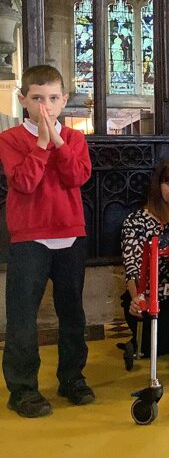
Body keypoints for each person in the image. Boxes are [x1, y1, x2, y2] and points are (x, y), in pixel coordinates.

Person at [0, 65, 93, 418]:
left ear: (64, 100)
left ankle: (72, 378)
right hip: (30, 237)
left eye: (53, 99)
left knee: (73, 313)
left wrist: (58, 142)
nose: (45, 107)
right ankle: (23, 389)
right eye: (37, 99)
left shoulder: (75, 139)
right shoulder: (9, 140)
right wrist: (41, 144)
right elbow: (24, 183)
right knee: (23, 315)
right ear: (23, 99)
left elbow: (77, 177)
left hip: (70, 235)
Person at [118, 158, 169, 368]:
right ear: (158, 186)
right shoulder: (136, 221)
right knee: (156, 346)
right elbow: (132, 267)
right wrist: (137, 300)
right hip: (151, 297)